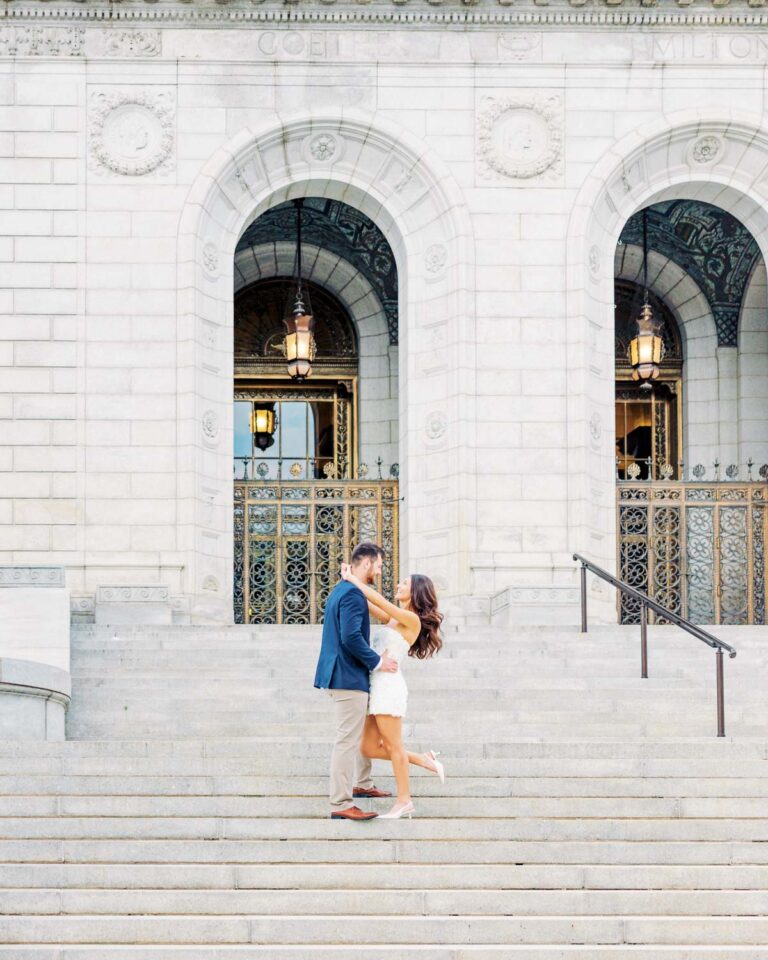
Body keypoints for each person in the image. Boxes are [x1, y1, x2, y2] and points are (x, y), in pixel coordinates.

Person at [340, 564, 444, 820]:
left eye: (404, 583)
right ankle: (422, 759)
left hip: (389, 686)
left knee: (393, 746)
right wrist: (348, 580)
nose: (399, 585)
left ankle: (404, 801)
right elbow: (367, 603)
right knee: (367, 747)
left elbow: (379, 600)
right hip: (375, 684)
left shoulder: (411, 619)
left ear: (416, 592)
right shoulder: (396, 618)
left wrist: (354, 578)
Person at [314, 542, 399, 821]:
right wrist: (378, 661)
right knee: (347, 741)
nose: (380, 570)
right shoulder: (351, 594)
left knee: (359, 734)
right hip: (348, 677)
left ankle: (363, 783)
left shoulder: (345, 589)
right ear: (366, 563)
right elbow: (351, 637)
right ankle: (340, 802)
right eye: (379, 565)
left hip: (346, 675)